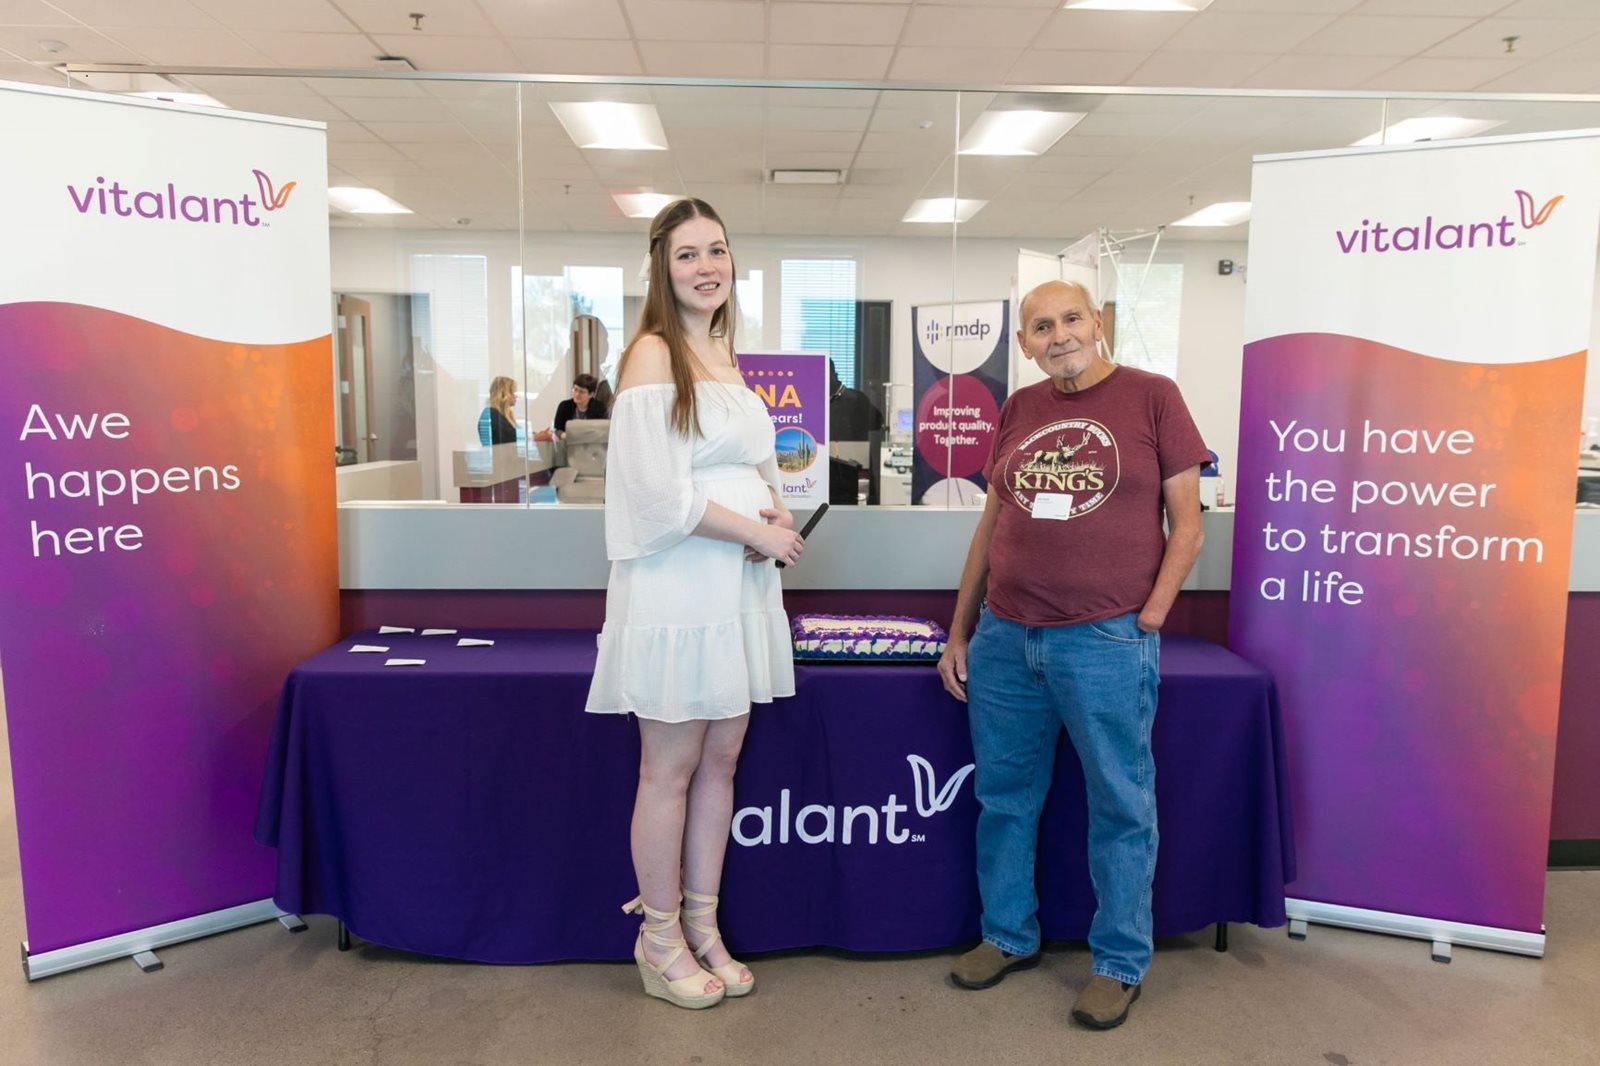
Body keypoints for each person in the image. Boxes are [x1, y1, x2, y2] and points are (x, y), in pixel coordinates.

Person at [938, 280, 1207, 1031]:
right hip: (1005, 637)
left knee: (1121, 804)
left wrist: (1146, 617)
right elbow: (991, 527)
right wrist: (961, 630)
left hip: (1104, 639)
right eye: (1039, 326)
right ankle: (1006, 935)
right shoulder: (1020, 410)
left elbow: (1187, 525)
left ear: (1097, 323)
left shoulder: (1154, 397)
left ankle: (1119, 963)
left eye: (1070, 319)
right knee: (1004, 797)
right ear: (1023, 343)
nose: (1058, 335)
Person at [585, 197, 804, 1010]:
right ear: (661, 266)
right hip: (679, 583)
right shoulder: (650, 354)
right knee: (670, 770)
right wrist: (755, 526)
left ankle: (705, 925)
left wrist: (775, 510)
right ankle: (659, 936)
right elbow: (653, 495)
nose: (706, 266)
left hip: (738, 578)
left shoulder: (723, 352)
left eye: (717, 250)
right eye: (687, 254)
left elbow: (750, 460)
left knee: (721, 763)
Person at [828, 358, 883, 442]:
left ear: (835, 375)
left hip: (852, 453)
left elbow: (877, 423)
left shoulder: (856, 399)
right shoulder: (815, 403)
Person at [478, 375, 519, 445]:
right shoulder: (493, 416)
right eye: (513, 392)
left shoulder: (499, 415)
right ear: (503, 394)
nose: (516, 396)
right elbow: (508, 440)